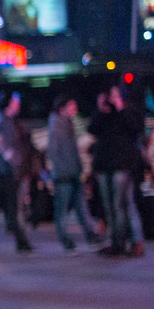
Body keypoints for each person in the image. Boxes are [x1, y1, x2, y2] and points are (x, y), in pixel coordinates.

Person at [88, 85, 145, 257]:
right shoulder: (105, 114)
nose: (111, 99)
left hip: (122, 165)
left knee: (120, 205)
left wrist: (120, 107)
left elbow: (135, 129)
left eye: (114, 95)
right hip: (105, 166)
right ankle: (115, 241)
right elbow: (92, 129)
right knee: (109, 206)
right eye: (109, 95)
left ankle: (121, 244)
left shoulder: (128, 111)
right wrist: (99, 110)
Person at [47, 94, 100, 252]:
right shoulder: (56, 126)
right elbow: (53, 152)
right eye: (71, 106)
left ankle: (92, 237)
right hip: (63, 176)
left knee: (82, 208)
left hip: (74, 174)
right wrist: (64, 169)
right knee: (62, 211)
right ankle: (67, 242)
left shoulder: (69, 124)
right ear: (63, 108)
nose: (74, 110)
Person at [0, 92, 33, 253]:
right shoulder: (4, 121)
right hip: (6, 171)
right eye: (16, 103)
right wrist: (14, 161)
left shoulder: (10, 122)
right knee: (12, 207)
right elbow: (5, 149)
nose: (18, 106)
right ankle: (21, 241)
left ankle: (21, 241)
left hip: (10, 170)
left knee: (12, 207)